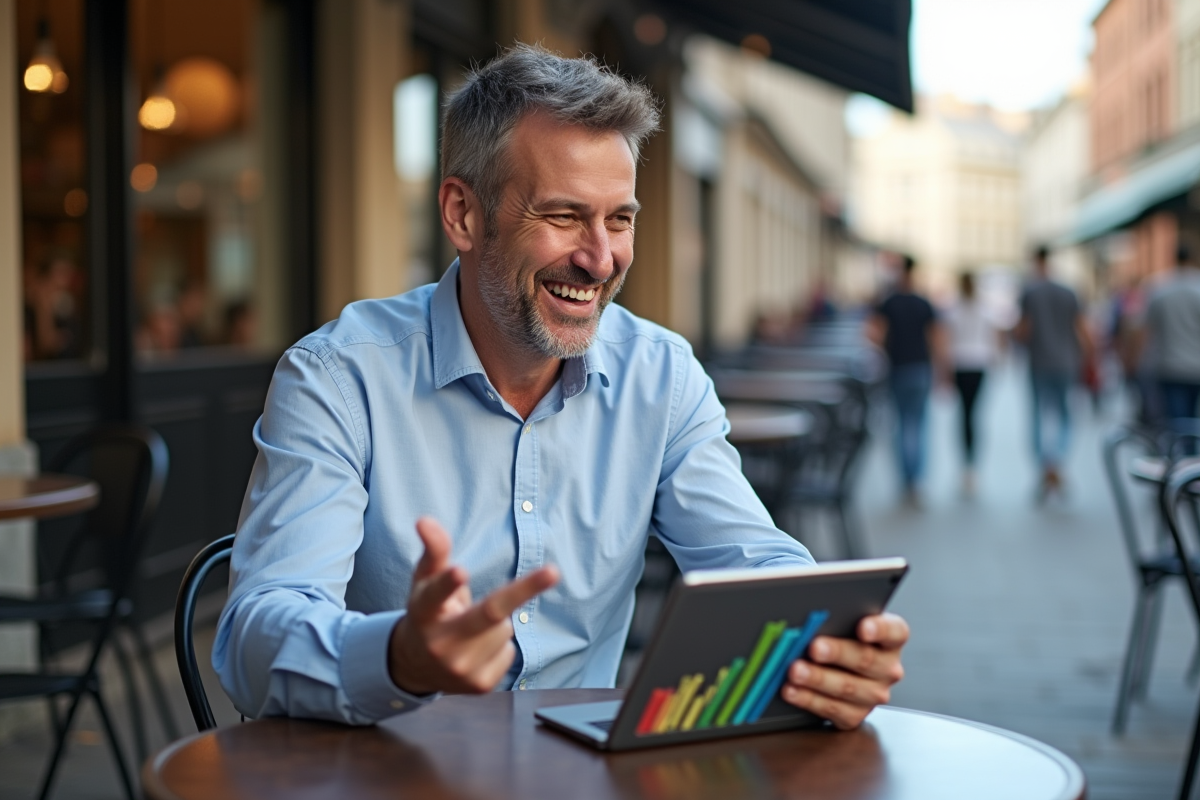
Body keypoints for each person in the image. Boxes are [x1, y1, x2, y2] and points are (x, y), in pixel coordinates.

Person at [214, 45, 908, 731]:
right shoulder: (339, 377)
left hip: (584, 773)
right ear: (463, 214)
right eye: (563, 216)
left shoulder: (661, 377)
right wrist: (399, 657)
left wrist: (830, 644)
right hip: (383, 766)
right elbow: (253, 637)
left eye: (620, 219)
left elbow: (754, 560)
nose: (600, 259)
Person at [1014, 246, 1092, 499]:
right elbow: (1082, 328)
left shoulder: (1029, 292)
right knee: (1065, 415)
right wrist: (1091, 355)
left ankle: (1045, 465)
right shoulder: (1068, 291)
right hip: (1067, 362)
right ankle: (1056, 460)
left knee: (1038, 415)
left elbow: (1023, 330)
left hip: (1039, 363)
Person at [867, 255, 941, 506]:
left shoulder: (888, 302)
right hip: (921, 369)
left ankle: (905, 479)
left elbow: (874, 334)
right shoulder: (923, 303)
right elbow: (936, 338)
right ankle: (916, 480)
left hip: (897, 369)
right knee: (918, 425)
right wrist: (942, 369)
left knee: (901, 425)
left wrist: (885, 349)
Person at [942, 272, 1000, 496]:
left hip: (961, 364)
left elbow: (948, 341)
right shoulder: (983, 309)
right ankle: (971, 465)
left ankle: (967, 465)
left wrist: (945, 369)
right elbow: (993, 340)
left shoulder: (954, 310)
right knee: (973, 414)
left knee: (964, 415)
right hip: (978, 364)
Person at [1141, 243, 1200, 428]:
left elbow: (1146, 329)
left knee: (1176, 419)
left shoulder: (1159, 288)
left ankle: (1181, 445)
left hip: (1169, 365)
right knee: (1193, 419)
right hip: (1196, 365)